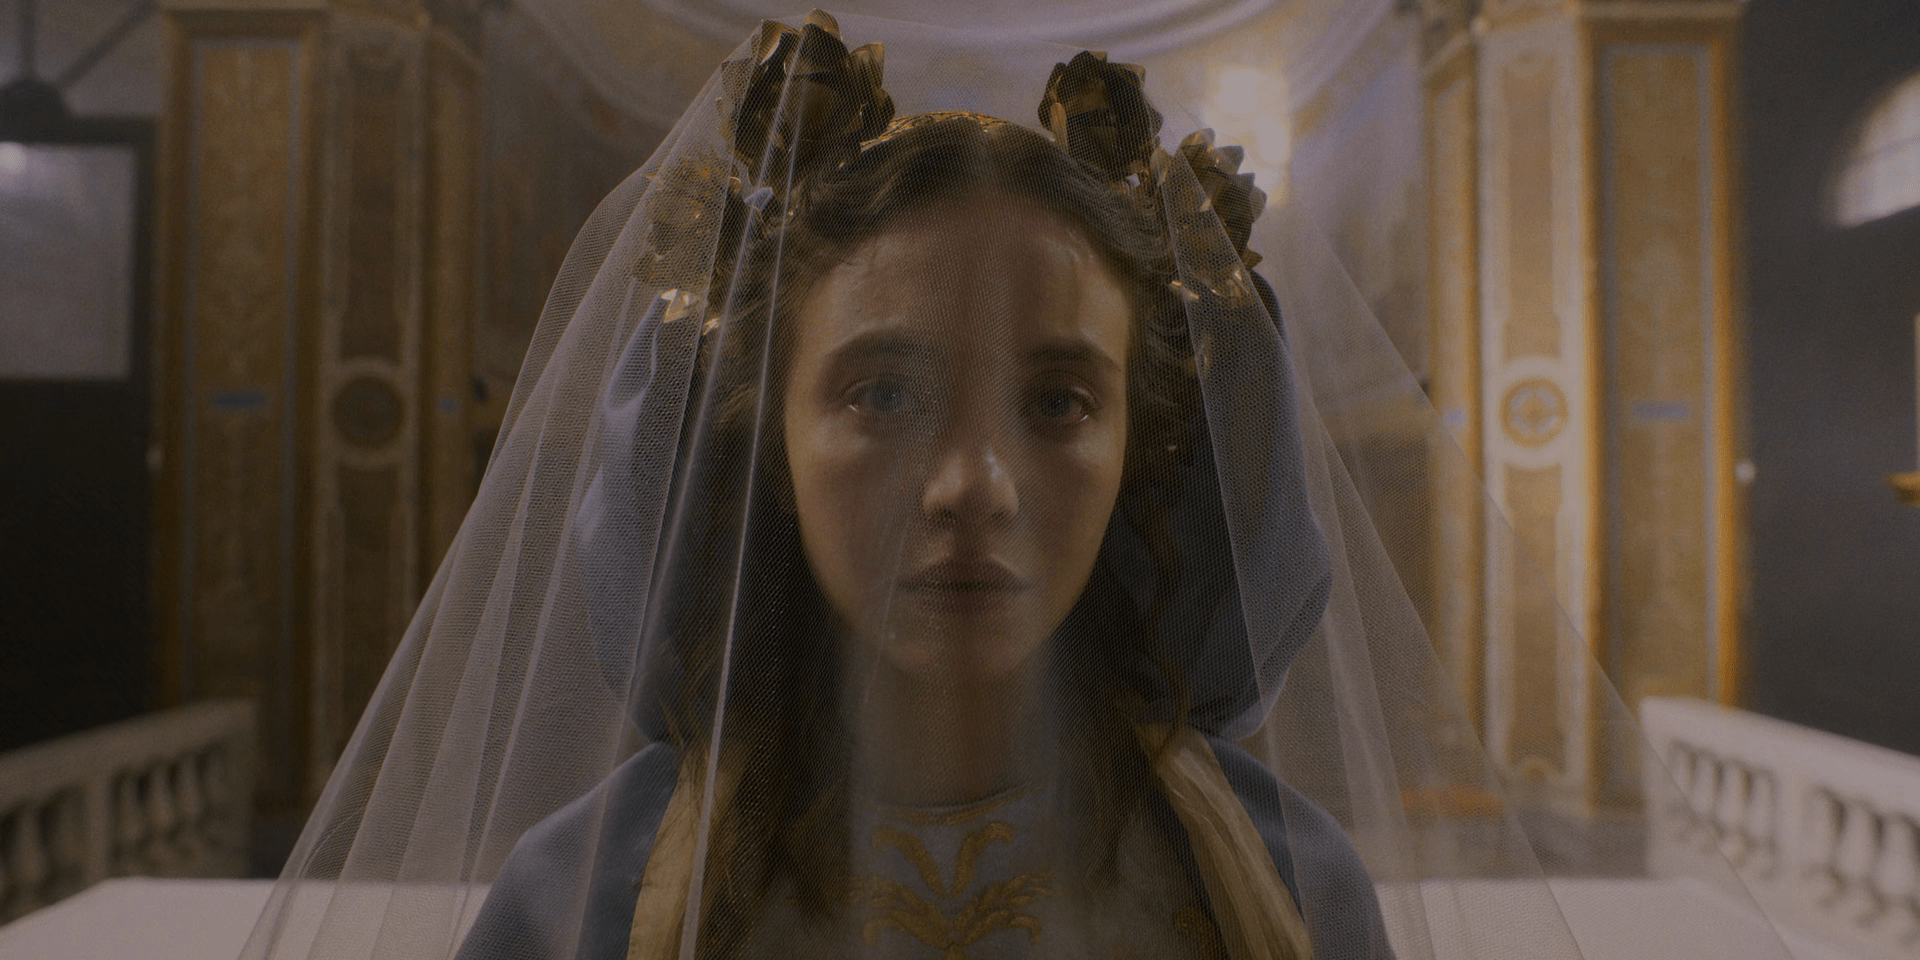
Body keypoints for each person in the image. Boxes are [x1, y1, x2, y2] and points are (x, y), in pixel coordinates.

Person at [236, 12, 1793, 960]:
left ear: (1145, 448)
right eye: (882, 393)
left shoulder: (1280, 887)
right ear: (763, 438)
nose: (971, 485)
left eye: (1056, 400)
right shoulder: (589, 898)